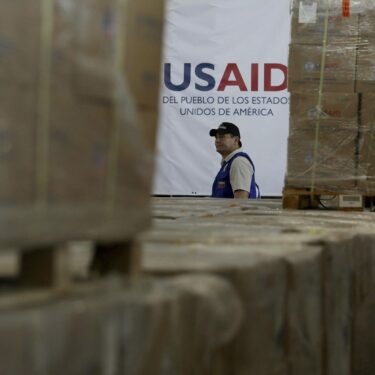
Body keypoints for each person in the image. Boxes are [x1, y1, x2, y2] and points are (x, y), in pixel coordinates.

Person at [209, 122, 259, 199]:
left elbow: (241, 202)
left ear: (236, 140)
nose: (217, 140)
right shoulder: (229, 163)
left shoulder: (239, 162)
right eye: (216, 137)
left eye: (222, 137)